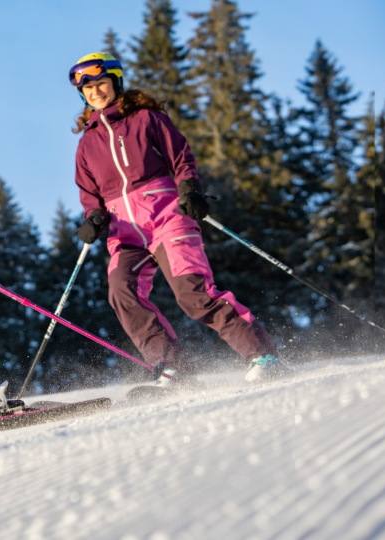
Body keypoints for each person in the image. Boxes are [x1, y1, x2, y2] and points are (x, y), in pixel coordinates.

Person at [65, 52, 285, 385]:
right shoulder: (87, 143)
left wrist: (190, 190)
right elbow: (88, 192)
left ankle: (262, 353)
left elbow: (180, 156)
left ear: (116, 82)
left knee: (192, 294)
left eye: (101, 83)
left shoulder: (145, 119)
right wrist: (93, 217)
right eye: (89, 88)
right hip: (125, 233)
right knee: (121, 291)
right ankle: (173, 367)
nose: (96, 91)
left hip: (168, 218)